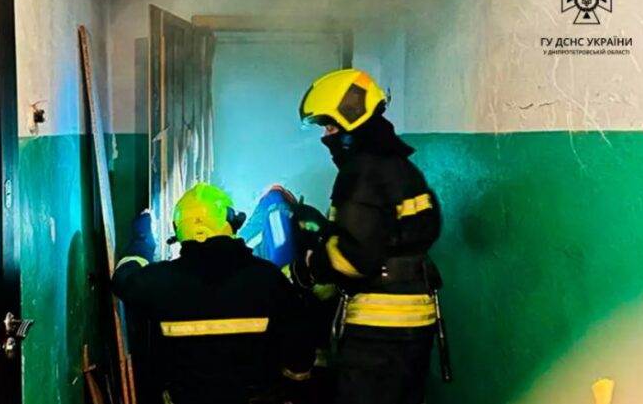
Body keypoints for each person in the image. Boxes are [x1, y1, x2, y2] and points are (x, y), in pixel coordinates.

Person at [292, 69, 444, 404]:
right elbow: (411, 233)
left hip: (378, 329)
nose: (326, 137)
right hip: (417, 320)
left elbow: (353, 258)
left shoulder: (361, 171)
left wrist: (311, 265)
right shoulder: (404, 168)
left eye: (330, 127)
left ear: (352, 120)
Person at [112, 183, 316, 404]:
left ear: (178, 229)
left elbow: (123, 279)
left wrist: (142, 242)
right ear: (231, 222)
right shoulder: (269, 278)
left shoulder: (160, 280)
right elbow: (299, 350)